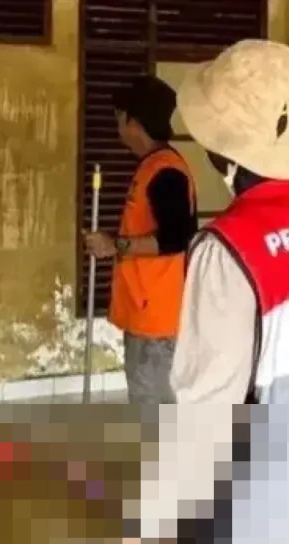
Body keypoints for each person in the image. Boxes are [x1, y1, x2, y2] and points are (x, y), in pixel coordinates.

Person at [120, 40, 289, 544]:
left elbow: (204, 416)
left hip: (256, 514)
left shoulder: (228, 251)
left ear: (224, 154)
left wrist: (146, 533)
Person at [82, 74, 199, 404]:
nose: (117, 125)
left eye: (119, 117)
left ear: (133, 122)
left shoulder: (166, 171)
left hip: (157, 319)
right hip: (146, 312)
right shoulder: (153, 166)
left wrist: (114, 245)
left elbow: (176, 237)